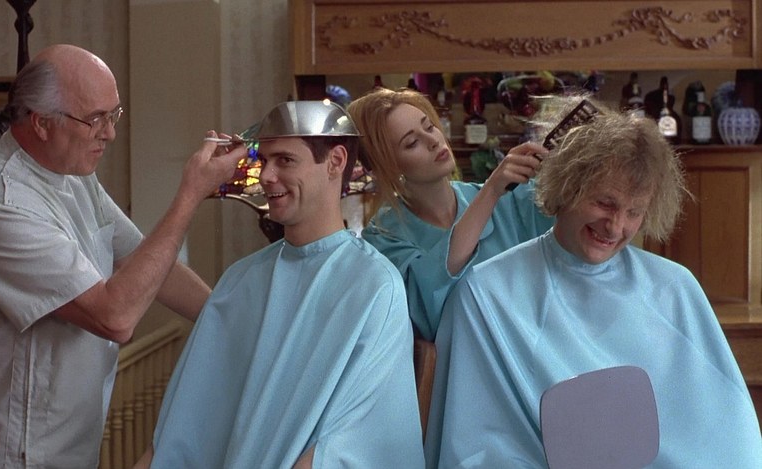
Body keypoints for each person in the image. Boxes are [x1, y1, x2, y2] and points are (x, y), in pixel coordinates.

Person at [0, 44, 247, 469]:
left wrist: (234, 325)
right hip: (11, 452)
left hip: (71, 440)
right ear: (41, 123)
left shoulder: (73, 176)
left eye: (113, 114)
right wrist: (191, 193)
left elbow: (145, 261)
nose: (110, 134)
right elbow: (114, 317)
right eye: (95, 119)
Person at [425, 96, 762, 467]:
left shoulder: (674, 288)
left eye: (634, 212)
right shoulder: (488, 292)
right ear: (567, 187)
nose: (616, 227)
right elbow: (476, 444)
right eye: (605, 203)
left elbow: (729, 434)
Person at [137, 100, 425, 468]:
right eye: (264, 160)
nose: (266, 176)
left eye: (285, 160)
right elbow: (181, 428)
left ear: (335, 161)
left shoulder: (374, 286)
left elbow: (353, 442)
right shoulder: (240, 279)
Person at [347, 87, 554, 341]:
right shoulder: (384, 239)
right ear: (383, 167)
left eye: (429, 126)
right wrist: (490, 191)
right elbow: (426, 301)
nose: (433, 140)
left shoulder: (510, 201)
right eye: (411, 143)